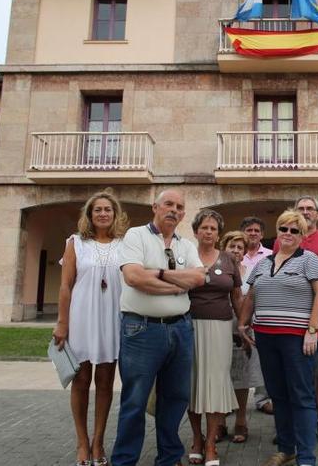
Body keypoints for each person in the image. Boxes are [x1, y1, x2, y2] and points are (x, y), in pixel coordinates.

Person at [112, 189, 207, 466]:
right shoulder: (135, 236)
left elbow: (199, 279)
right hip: (141, 330)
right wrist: (178, 285)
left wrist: (160, 273)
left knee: (175, 398)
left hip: (181, 330)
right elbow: (132, 277)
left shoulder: (187, 245)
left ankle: (167, 459)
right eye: (168, 204)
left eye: (179, 206)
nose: (174, 210)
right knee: (135, 401)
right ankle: (125, 460)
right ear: (155, 206)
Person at [238, 209, 318, 466]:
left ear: (301, 235)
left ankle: (307, 457)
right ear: (277, 232)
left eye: (294, 230)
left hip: (297, 339)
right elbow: (252, 295)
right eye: (283, 229)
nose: (288, 234)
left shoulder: (309, 260)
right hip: (266, 338)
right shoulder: (263, 264)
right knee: (278, 395)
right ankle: (287, 448)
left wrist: (312, 330)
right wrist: (243, 324)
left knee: (301, 396)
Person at [53, 189, 129, 466]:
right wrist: (62, 322)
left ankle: (98, 442)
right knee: (81, 381)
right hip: (81, 317)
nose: (103, 213)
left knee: (106, 382)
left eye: (108, 209)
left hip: (112, 318)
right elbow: (65, 285)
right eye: (97, 209)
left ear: (115, 214)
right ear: (89, 214)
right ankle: (82, 443)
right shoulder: (75, 243)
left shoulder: (125, 243)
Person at [275, 196, 318, 446]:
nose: (305, 212)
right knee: (293, 374)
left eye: (310, 209)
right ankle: (294, 423)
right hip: (289, 320)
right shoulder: (285, 239)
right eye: (300, 208)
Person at [187, 210, 242, 466]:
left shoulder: (229, 259)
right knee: (193, 382)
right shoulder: (184, 255)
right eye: (204, 227)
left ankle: (210, 443)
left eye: (213, 228)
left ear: (218, 233)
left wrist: (242, 324)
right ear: (196, 231)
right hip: (188, 326)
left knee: (216, 382)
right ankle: (196, 439)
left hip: (220, 327)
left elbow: (237, 297)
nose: (208, 232)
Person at [220, 231, 264, 444]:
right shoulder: (216, 269)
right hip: (218, 326)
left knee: (242, 377)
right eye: (232, 246)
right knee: (219, 376)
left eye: (240, 248)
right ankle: (219, 422)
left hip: (243, 327)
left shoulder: (250, 272)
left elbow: (254, 298)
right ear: (224, 247)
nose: (236, 251)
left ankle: (240, 421)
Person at [239, 216, 275, 415]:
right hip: (236, 313)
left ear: (262, 234)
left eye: (256, 230)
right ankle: (233, 401)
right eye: (249, 229)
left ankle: (263, 399)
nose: (253, 233)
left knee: (263, 358)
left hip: (262, 312)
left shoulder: (270, 255)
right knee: (237, 359)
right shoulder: (235, 253)